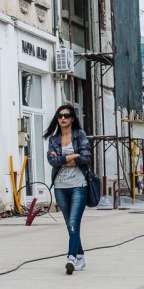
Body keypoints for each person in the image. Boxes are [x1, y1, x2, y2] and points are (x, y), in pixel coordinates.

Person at [44, 105, 92, 275]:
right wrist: (73, 156)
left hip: (79, 186)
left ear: (72, 118)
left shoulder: (80, 136)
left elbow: (85, 157)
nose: (63, 118)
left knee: (73, 223)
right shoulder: (54, 139)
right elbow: (52, 161)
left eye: (66, 115)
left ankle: (71, 257)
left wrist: (62, 159)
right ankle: (81, 256)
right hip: (60, 187)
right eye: (60, 115)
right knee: (70, 225)